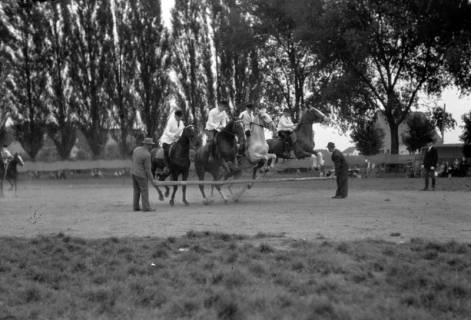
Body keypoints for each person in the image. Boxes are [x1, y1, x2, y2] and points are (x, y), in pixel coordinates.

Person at [131, 137, 158, 211]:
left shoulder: (136, 149)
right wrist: (152, 180)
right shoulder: (147, 155)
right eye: (151, 145)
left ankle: (136, 207)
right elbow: (148, 170)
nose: (151, 146)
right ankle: (146, 207)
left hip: (134, 172)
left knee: (136, 190)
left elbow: (133, 160)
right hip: (141, 175)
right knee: (144, 190)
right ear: (148, 145)